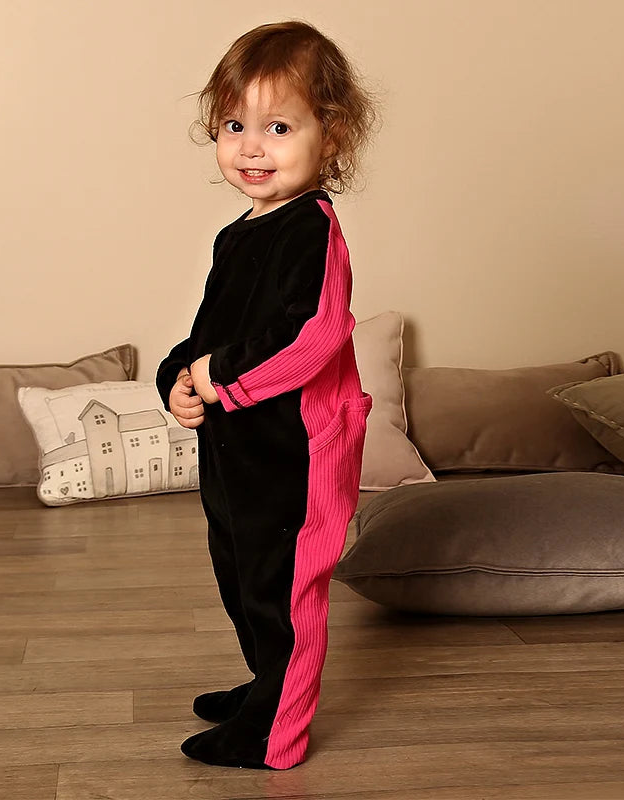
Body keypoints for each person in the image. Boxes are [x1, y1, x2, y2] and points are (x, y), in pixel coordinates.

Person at [155, 20, 377, 770]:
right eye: (234, 126)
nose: (252, 147)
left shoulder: (311, 228)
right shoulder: (237, 235)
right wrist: (179, 378)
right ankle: (266, 687)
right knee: (242, 575)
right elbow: (211, 332)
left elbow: (313, 333)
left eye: (278, 127)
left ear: (331, 136)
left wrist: (220, 376)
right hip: (238, 448)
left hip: (298, 454)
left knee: (284, 590)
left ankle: (274, 732)